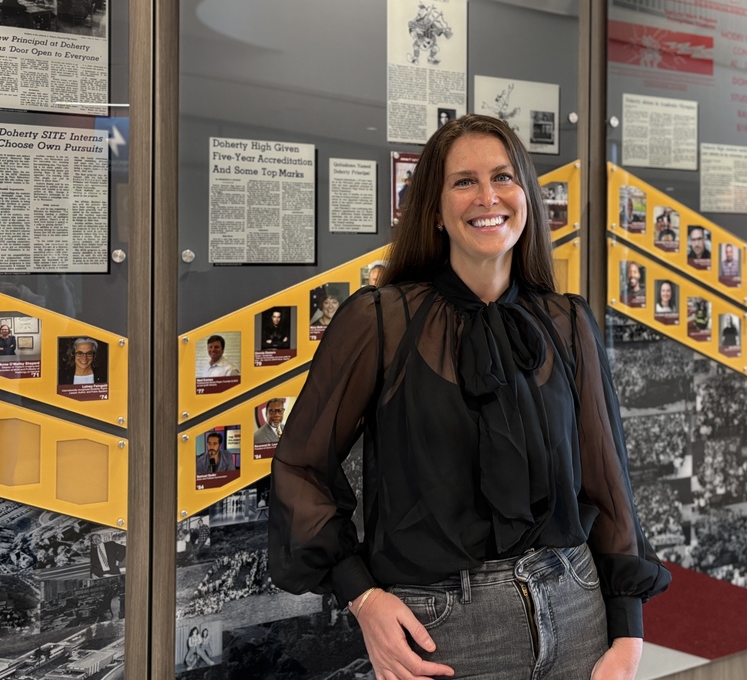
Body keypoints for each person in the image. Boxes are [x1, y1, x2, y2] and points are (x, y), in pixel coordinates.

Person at [269, 114, 669, 680]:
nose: (488, 197)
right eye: (464, 182)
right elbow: (300, 465)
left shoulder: (568, 322)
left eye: (504, 177)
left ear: (526, 195)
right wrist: (363, 598)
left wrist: (628, 630)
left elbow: (608, 484)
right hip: (444, 630)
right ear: (434, 209)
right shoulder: (379, 321)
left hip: (577, 607)